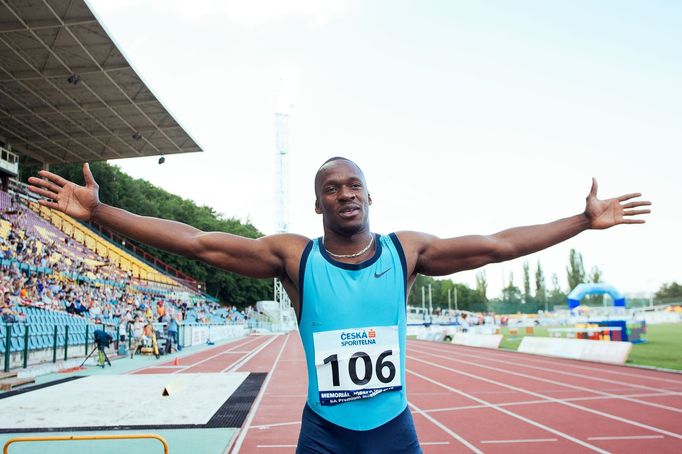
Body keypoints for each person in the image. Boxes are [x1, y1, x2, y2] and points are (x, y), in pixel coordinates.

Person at [28, 159, 650, 453]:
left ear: (369, 195)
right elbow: (197, 243)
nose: (344, 194)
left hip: (394, 429)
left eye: (352, 185)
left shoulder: (404, 252)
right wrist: (102, 213)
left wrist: (580, 222)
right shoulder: (295, 259)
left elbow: (494, 246)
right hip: (324, 434)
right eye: (331, 189)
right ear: (318, 206)